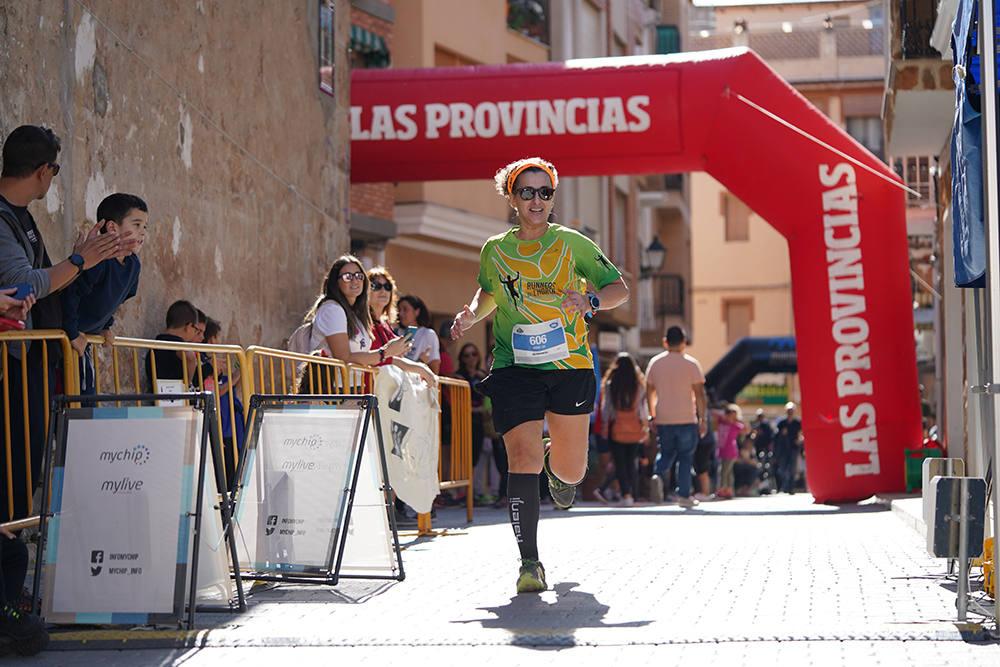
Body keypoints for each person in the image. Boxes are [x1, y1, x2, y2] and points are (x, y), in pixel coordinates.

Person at [450, 156, 628, 594]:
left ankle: (558, 465)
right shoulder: (496, 249)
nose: (536, 200)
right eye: (526, 192)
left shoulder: (573, 244)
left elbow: (618, 288)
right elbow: (490, 291)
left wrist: (589, 304)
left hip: (569, 366)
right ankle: (530, 562)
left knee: (572, 472)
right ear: (512, 197)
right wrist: (472, 314)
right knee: (520, 458)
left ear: (552, 198)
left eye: (544, 192)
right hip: (515, 366)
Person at [0, 125, 133, 520]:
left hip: (33, 365)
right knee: (14, 471)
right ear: (44, 171)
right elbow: (24, 283)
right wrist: (80, 261)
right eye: (55, 170)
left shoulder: (19, 217)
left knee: (24, 470)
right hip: (15, 367)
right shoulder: (3, 219)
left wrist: (79, 263)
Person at [61, 193, 147, 394]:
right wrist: (72, 333)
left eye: (145, 227)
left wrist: (106, 327)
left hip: (85, 341)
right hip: (65, 338)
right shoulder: (98, 260)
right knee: (66, 398)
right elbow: (70, 294)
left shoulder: (133, 265)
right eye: (136, 225)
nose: (142, 233)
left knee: (86, 394)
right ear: (111, 228)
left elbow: (116, 300)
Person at [307, 256, 435, 387]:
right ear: (336, 282)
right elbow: (344, 357)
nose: (354, 281)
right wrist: (386, 351)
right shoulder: (332, 309)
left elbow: (369, 356)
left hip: (353, 389)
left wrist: (405, 359)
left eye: (359, 276)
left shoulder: (355, 316)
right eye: (347, 276)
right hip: (332, 391)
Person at [645, 326, 708, 509]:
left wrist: (652, 415)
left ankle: (658, 474)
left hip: (664, 417)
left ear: (665, 342)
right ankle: (683, 495)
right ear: (683, 342)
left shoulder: (655, 364)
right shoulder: (692, 364)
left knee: (665, 453)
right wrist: (702, 419)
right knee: (685, 458)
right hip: (686, 418)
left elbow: (649, 391)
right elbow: (700, 394)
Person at [598, 352, 649, 506]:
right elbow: (642, 409)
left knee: (619, 462)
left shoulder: (610, 384)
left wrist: (605, 426)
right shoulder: (638, 385)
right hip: (634, 427)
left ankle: (626, 494)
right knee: (631, 461)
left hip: (616, 427)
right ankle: (631, 494)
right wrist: (645, 427)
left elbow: (606, 409)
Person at [201, 318, 244, 490]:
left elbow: (231, 389)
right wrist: (234, 378)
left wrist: (238, 374)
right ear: (210, 339)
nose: (218, 342)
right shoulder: (203, 363)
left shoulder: (212, 362)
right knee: (224, 479)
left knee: (233, 474)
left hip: (230, 425)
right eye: (216, 337)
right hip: (220, 427)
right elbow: (215, 391)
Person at [144, 300, 204, 393]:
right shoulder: (176, 343)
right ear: (188, 326)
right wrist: (187, 385)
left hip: (155, 397)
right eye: (196, 330)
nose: (195, 333)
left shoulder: (156, 343)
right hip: (174, 401)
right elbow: (190, 357)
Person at [398, 294, 440, 375]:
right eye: (399, 310)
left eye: (405, 309)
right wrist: (420, 361)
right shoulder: (396, 332)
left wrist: (421, 362)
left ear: (417, 312)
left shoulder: (428, 334)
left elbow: (434, 370)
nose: (400, 313)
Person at [714, 403, 746, 499]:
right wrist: (724, 415)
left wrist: (738, 420)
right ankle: (728, 491)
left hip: (731, 451)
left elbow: (747, 429)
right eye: (730, 415)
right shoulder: (721, 422)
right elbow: (712, 413)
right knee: (728, 472)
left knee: (723, 471)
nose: (731, 418)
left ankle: (721, 490)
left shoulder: (736, 425)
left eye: (734, 416)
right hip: (722, 450)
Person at [774, 401, 803, 494]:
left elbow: (801, 433)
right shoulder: (781, 423)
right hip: (783, 449)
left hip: (793, 448)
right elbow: (776, 435)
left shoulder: (797, 422)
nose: (790, 412)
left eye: (791, 410)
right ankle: (785, 486)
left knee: (792, 469)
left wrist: (799, 440)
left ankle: (791, 488)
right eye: (788, 410)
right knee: (782, 468)